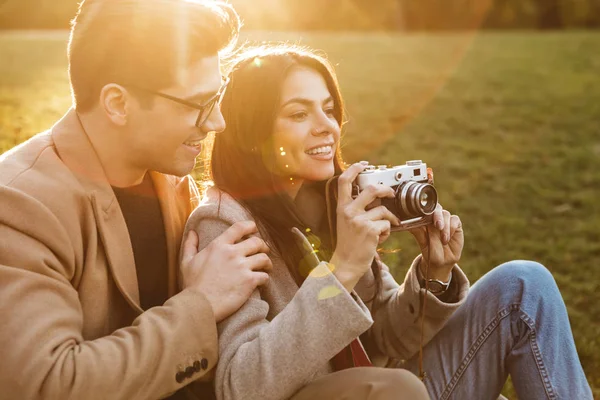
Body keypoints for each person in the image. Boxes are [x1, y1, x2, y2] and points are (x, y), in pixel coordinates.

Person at [184, 44, 593, 400]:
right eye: (298, 113)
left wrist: (433, 275)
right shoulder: (225, 224)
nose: (326, 125)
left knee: (523, 285)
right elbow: (241, 386)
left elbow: (383, 339)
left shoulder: (333, 204)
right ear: (253, 133)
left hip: (390, 389)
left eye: (328, 109)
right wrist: (341, 270)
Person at [0, 1, 273, 399]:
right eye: (199, 105)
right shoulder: (19, 205)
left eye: (217, 98)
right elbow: (48, 384)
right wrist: (200, 303)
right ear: (117, 104)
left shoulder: (172, 182)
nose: (217, 123)